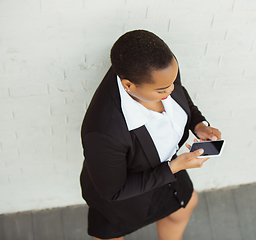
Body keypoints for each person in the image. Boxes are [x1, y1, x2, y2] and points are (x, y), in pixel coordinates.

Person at [80, 29, 221, 240]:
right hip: (125, 201)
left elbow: (181, 96)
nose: (171, 90)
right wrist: (175, 167)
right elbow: (113, 192)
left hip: (167, 172)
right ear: (128, 85)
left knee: (185, 206)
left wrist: (198, 123)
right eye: (162, 90)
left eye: (173, 81)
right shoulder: (103, 132)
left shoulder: (162, 71)